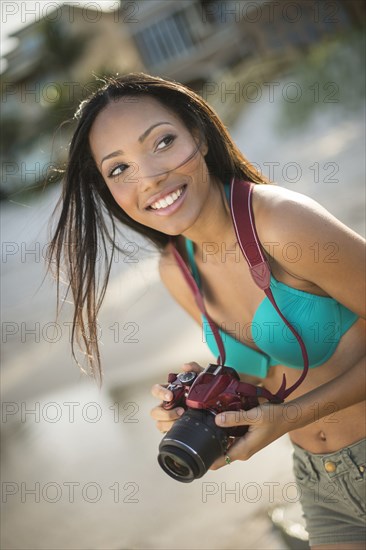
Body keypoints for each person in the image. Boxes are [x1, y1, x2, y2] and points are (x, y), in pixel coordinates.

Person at [48, 73, 365, 549]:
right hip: (321, 482)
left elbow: (294, 404)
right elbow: (271, 382)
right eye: (119, 169)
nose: (149, 177)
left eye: (162, 141)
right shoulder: (177, 272)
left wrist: (291, 416)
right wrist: (209, 402)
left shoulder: (281, 223)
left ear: (198, 133)